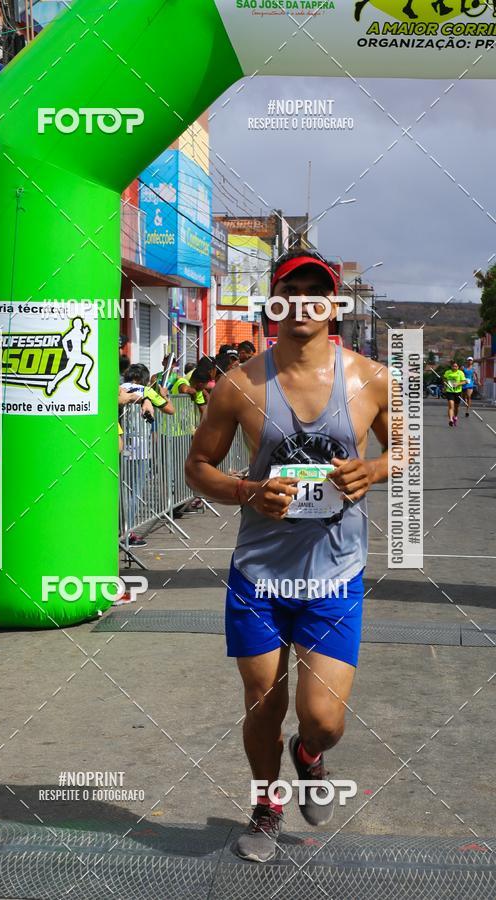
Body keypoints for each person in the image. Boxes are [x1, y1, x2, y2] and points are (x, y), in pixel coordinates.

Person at [185, 249, 389, 862]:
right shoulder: (240, 383)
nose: (302, 301)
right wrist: (249, 491)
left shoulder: (372, 379)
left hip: (334, 574)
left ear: (334, 304)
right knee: (263, 703)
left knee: (323, 718)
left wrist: (372, 470)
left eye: (315, 291)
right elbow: (198, 468)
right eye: (289, 290)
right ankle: (266, 806)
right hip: (259, 575)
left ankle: (311, 755)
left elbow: (409, 450)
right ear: (274, 302)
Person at [120, 364, 174, 546]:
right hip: (140, 448)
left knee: (121, 489)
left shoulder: (119, 389)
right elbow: (170, 410)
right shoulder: (147, 391)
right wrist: (164, 394)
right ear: (144, 378)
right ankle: (126, 531)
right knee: (134, 490)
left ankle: (119, 528)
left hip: (119, 443)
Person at [441, 360, 466, 426]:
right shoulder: (448, 372)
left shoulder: (460, 373)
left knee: (456, 407)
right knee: (451, 406)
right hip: (449, 391)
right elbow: (444, 379)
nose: (454, 367)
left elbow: (464, 381)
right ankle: (451, 420)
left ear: (458, 367)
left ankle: (455, 417)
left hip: (458, 392)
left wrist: (458, 384)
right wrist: (445, 384)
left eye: (456, 366)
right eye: (453, 366)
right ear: (451, 366)